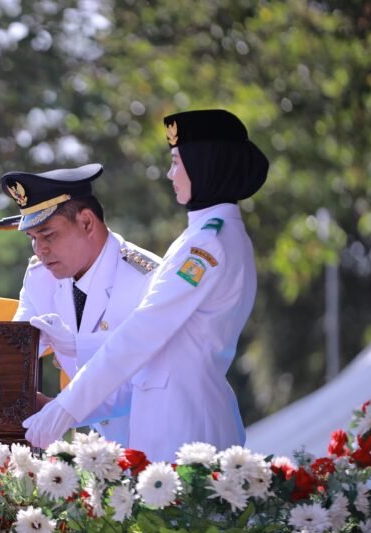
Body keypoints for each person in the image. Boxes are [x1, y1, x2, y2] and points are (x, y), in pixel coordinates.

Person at [22, 109, 269, 460]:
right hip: (174, 420)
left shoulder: (206, 244)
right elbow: (159, 348)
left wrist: (67, 409)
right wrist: (77, 348)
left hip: (186, 426)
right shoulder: (209, 234)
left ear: (204, 163)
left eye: (177, 162)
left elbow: (144, 332)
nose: (170, 174)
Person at [0, 163, 162, 447]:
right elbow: (15, 350)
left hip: (164, 443)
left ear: (87, 222)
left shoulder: (147, 278)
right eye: (33, 239)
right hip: (109, 453)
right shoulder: (41, 277)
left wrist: (61, 410)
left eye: (48, 235)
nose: (40, 250)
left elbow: (142, 381)